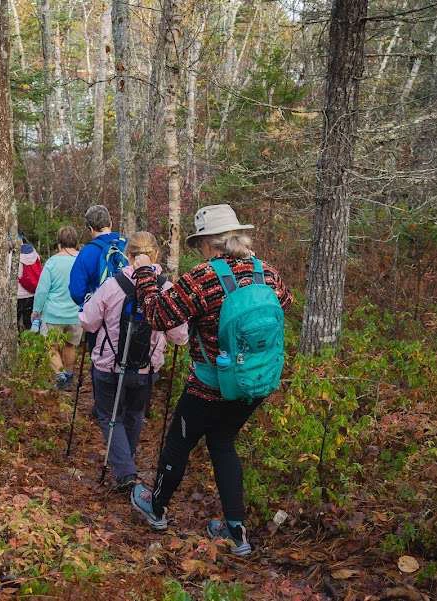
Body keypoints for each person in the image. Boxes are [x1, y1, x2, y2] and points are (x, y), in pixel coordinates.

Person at [128, 204, 293, 557]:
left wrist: (143, 274)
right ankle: (236, 532)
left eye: (200, 242)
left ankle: (155, 508)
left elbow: (158, 315)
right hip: (253, 385)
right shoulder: (268, 273)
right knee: (222, 444)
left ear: (209, 243)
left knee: (178, 444)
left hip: (209, 386)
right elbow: (286, 304)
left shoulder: (203, 277)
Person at [79, 232, 189, 491]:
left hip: (108, 364)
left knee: (109, 416)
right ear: (156, 256)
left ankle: (125, 471)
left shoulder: (113, 285)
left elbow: (89, 321)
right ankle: (125, 464)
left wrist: (84, 307)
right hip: (146, 367)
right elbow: (179, 336)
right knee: (134, 414)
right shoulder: (166, 289)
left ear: (128, 256)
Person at [31, 226, 82, 389]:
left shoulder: (52, 262)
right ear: (76, 242)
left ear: (59, 243)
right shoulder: (82, 260)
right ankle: (68, 375)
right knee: (70, 345)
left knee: (50, 346)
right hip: (76, 313)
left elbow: (42, 290)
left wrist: (36, 311)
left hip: (53, 314)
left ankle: (60, 375)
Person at [69, 204, 128, 307]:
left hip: (103, 314)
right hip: (129, 314)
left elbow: (76, 292)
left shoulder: (86, 253)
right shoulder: (127, 244)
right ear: (110, 223)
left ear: (90, 229)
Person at [17, 234, 42, 331]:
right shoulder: (34, 253)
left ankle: (18, 342)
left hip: (18, 294)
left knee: (15, 320)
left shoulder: (15, 254)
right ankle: (29, 342)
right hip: (32, 293)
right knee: (29, 321)